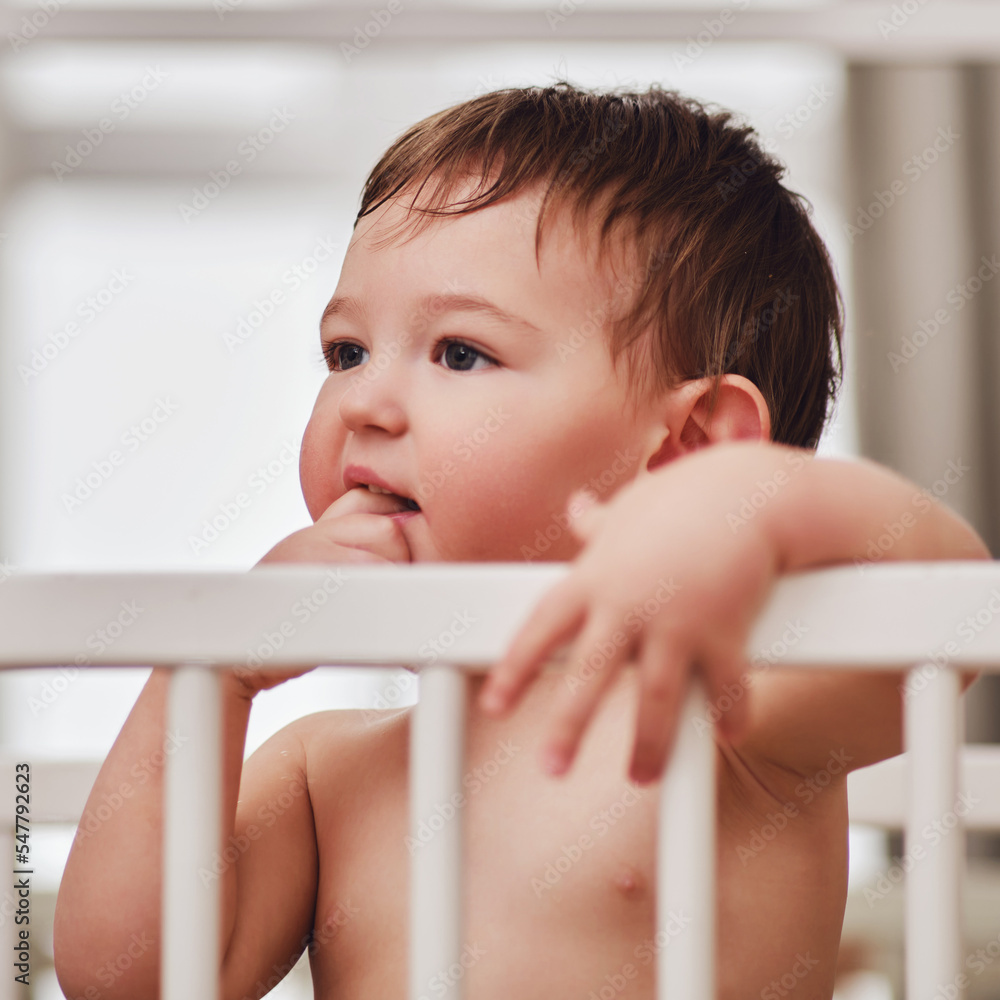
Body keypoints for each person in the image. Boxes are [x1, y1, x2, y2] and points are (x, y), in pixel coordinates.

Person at [53, 81, 989, 1000]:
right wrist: (214, 671)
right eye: (346, 353)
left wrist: (747, 502)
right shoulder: (324, 771)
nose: (364, 403)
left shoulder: (731, 717)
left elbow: (948, 609)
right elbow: (126, 977)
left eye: (461, 352)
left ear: (692, 446)